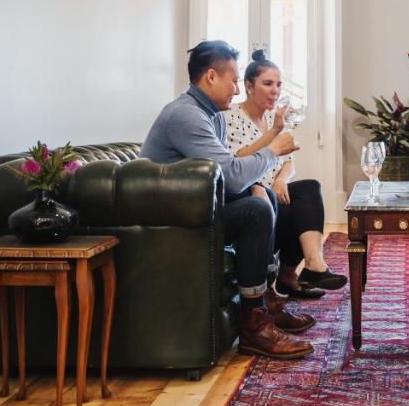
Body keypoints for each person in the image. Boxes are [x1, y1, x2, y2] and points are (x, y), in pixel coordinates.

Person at [140, 40, 314, 359]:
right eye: (233, 80)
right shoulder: (186, 116)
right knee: (255, 209)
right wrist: (272, 150)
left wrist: (256, 185)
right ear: (211, 76)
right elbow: (232, 175)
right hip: (171, 222)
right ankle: (254, 326)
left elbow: (223, 175)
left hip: (194, 208)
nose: (236, 89)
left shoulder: (213, 115)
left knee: (262, 197)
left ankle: (264, 304)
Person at [223, 50, 347, 299]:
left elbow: (288, 161)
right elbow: (237, 160)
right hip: (253, 198)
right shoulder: (230, 116)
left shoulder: (274, 117)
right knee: (295, 209)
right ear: (249, 86)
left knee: (309, 188)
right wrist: (273, 137)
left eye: (279, 84)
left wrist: (281, 179)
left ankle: (312, 265)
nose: (275, 90)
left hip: (275, 193)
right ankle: (288, 278)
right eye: (268, 84)